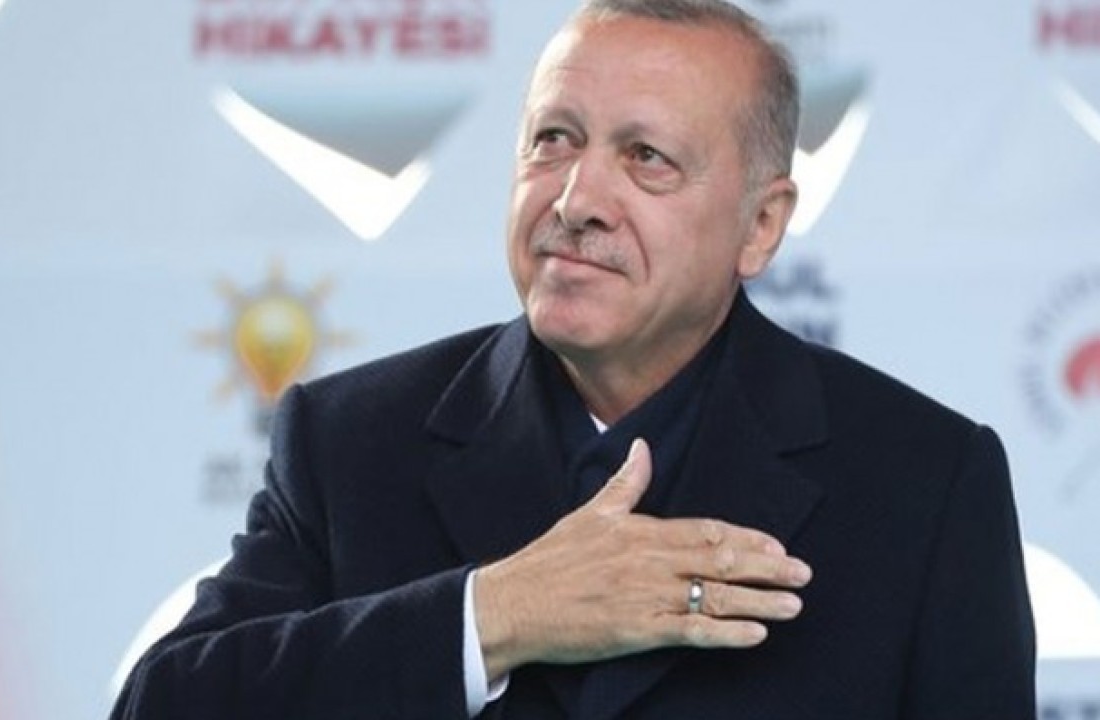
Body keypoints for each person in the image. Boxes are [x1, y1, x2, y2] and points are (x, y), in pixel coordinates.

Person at [111, 0, 1036, 717]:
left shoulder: (925, 480)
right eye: (554, 141)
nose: (576, 199)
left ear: (761, 224)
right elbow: (163, 705)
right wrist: (495, 615)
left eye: (647, 157)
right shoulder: (349, 442)